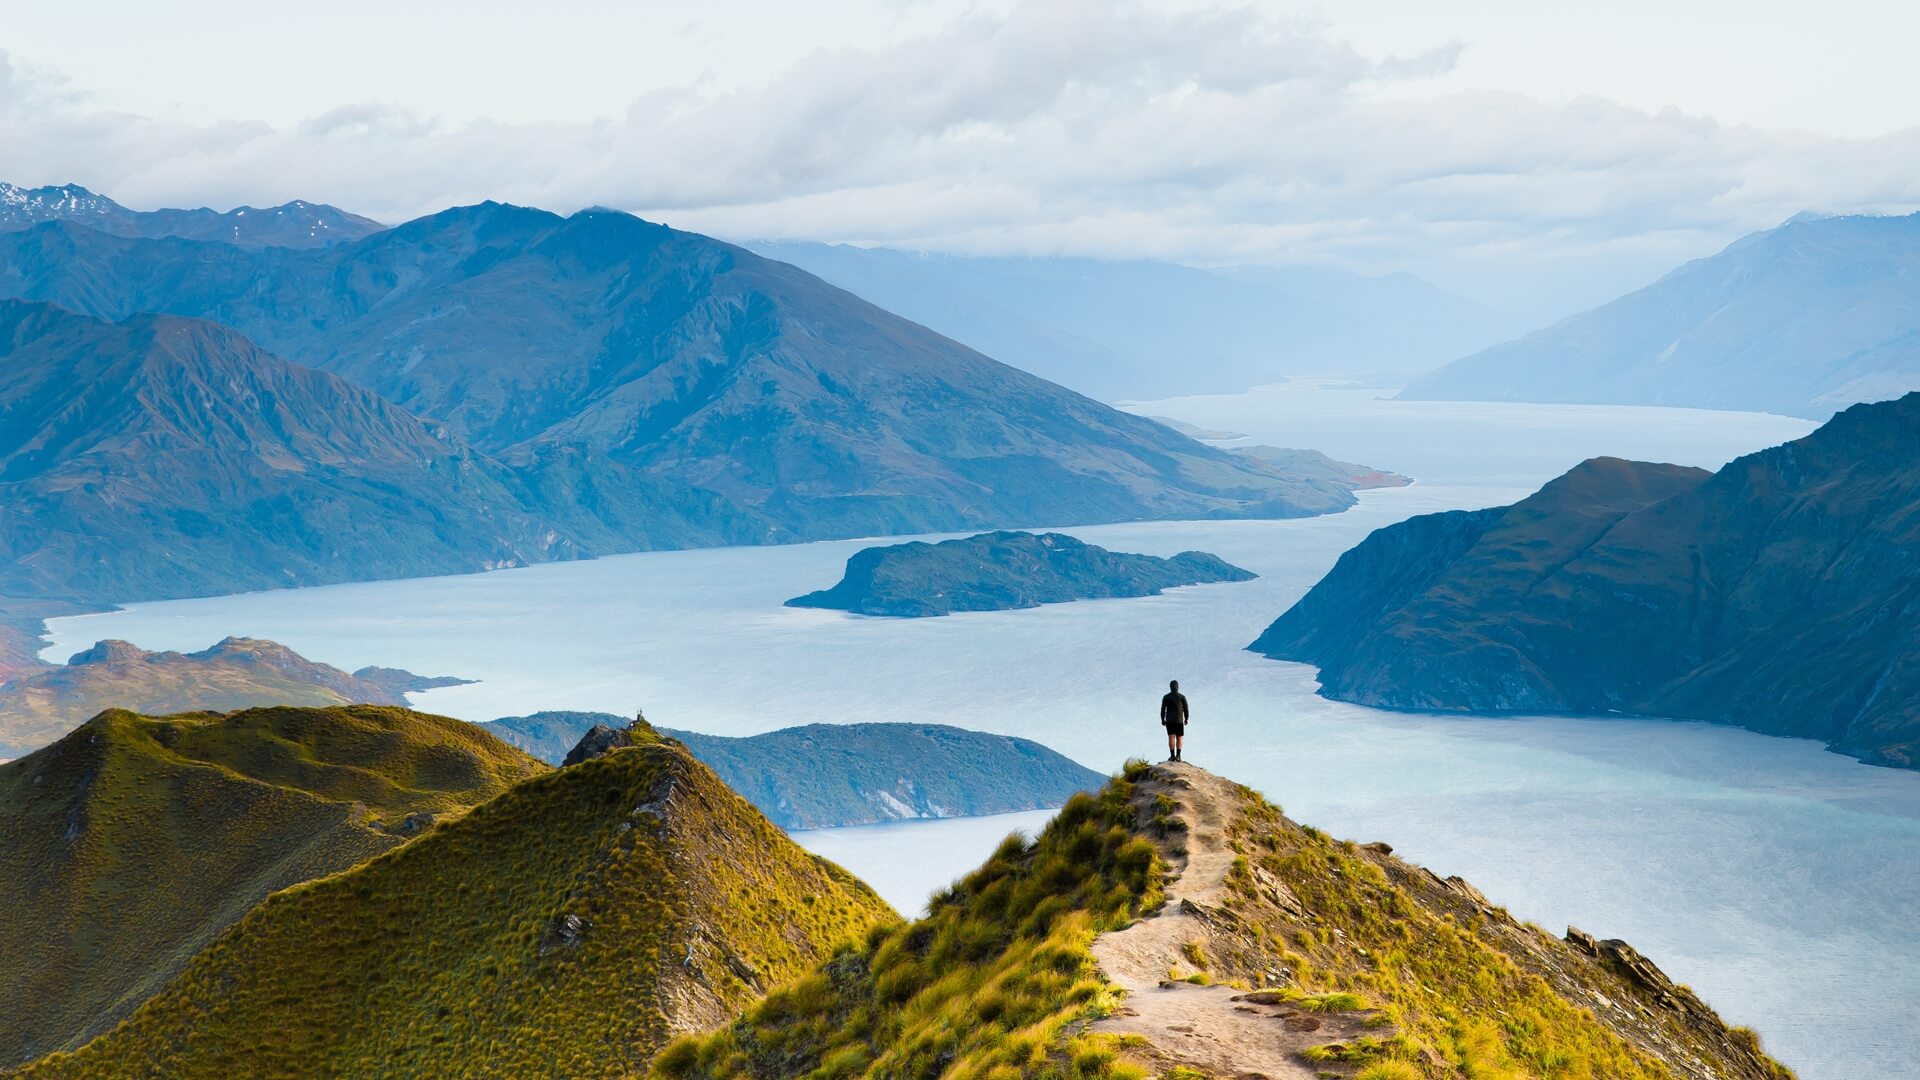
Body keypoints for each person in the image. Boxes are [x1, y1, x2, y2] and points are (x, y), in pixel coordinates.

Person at [1160, 679, 1189, 762]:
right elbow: (1186, 709)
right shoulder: (1182, 697)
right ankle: (1178, 756)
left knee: (1171, 737)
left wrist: (1162, 719)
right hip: (1179, 720)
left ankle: (1172, 756)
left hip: (1169, 720)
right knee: (1180, 738)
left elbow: (1162, 710)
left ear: (1170, 687)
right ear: (1178, 687)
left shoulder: (1166, 697)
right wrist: (1186, 718)